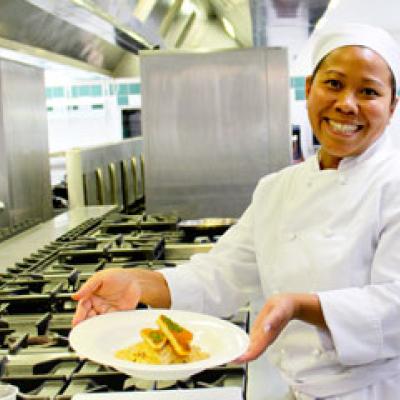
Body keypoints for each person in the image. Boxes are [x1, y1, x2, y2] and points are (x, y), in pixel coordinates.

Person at [72, 23, 400, 399]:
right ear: (309, 89)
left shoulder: (394, 185)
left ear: (392, 107)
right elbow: (220, 275)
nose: (346, 104)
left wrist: (298, 305)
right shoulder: (277, 189)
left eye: (369, 92)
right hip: (298, 391)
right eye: (334, 84)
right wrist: (140, 283)